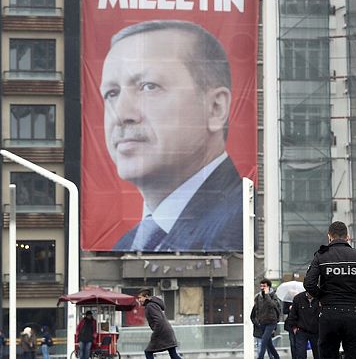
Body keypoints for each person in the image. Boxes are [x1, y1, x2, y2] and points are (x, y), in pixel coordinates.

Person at [105, 20, 242, 252]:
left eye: (149, 86)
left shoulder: (242, 224)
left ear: (215, 108)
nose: (121, 114)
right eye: (111, 93)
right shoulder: (125, 245)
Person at [305, 221, 356, 359]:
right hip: (353, 314)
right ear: (347, 237)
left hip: (329, 314)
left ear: (329, 237)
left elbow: (309, 283)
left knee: (328, 354)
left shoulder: (320, 256)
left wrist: (322, 297)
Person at [136, 288, 184, 359]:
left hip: (161, 332)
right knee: (173, 354)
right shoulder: (152, 304)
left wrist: (155, 333)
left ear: (146, 297)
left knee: (148, 352)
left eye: (140, 297)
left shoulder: (150, 306)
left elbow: (159, 320)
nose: (139, 300)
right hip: (166, 331)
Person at [285, 291, 320, 359]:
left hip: (316, 330)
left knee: (318, 353)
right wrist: (294, 327)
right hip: (301, 330)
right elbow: (292, 314)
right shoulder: (298, 298)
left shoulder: (319, 298)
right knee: (300, 354)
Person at [252, 279, 281, 359]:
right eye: (261, 286)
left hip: (271, 322)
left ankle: (260, 357)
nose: (262, 288)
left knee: (264, 341)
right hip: (262, 322)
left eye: (264, 286)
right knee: (269, 344)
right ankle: (277, 357)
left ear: (268, 287)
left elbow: (273, 305)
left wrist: (267, 295)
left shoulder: (273, 296)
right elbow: (256, 310)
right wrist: (257, 321)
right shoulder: (258, 297)